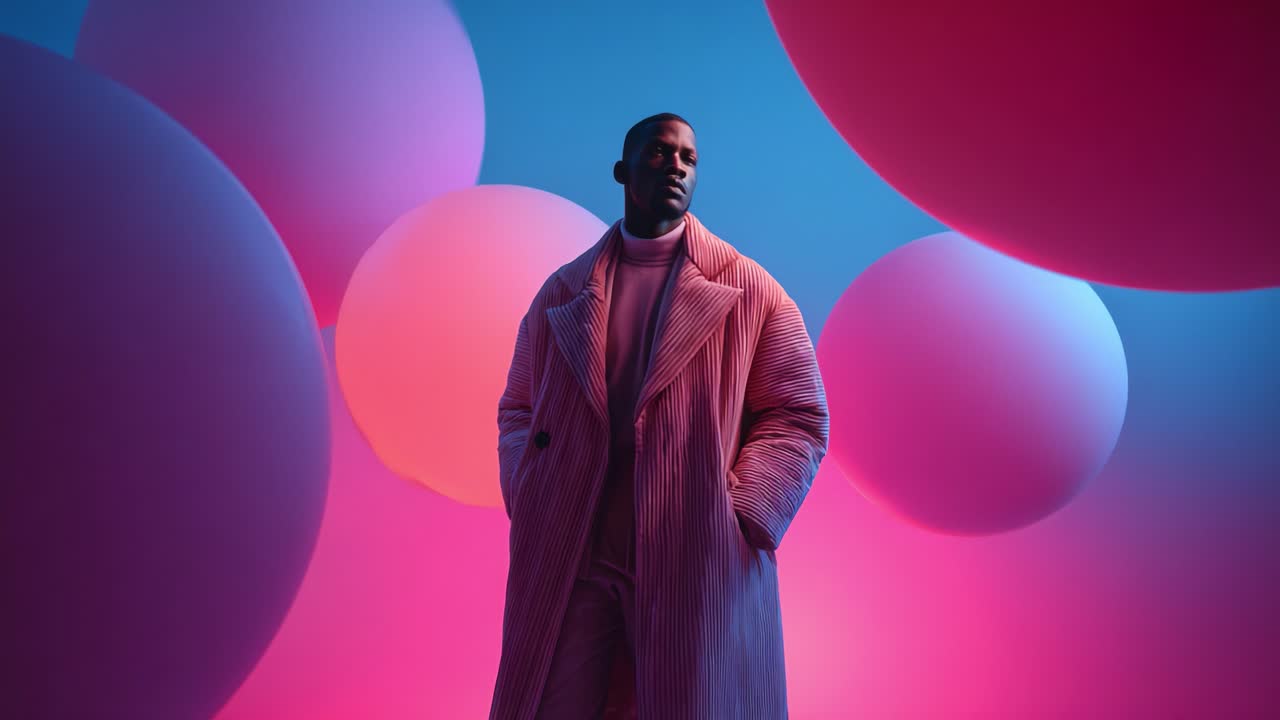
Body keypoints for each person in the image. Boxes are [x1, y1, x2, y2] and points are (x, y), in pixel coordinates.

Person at [489, 113, 829, 720]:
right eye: (658, 153)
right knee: (550, 701)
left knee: (689, 700)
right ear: (623, 170)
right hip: (575, 543)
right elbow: (518, 406)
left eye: (688, 159)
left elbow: (797, 415)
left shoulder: (752, 291)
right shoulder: (563, 292)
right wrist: (530, 488)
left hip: (690, 546)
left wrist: (743, 514)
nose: (675, 165)